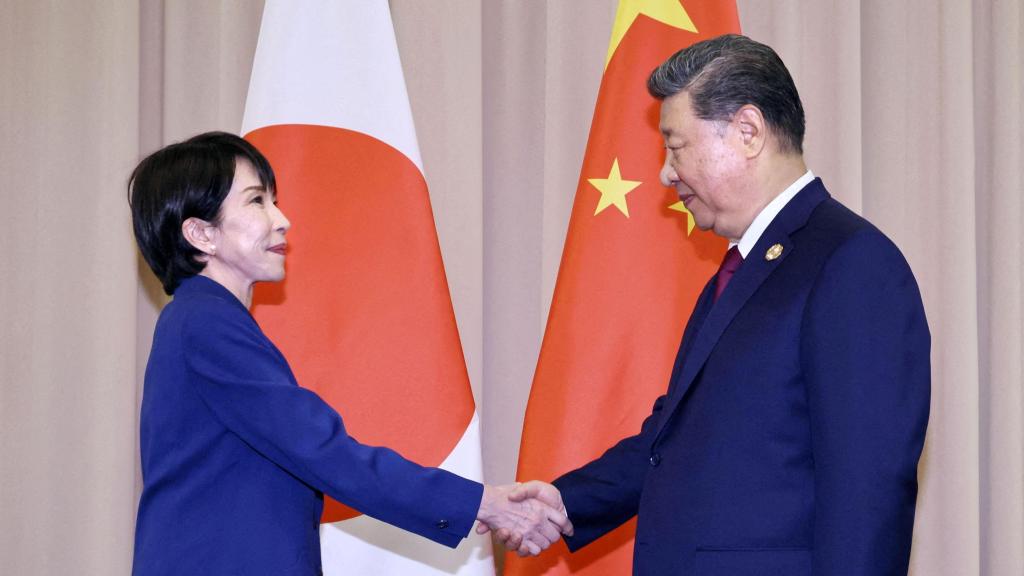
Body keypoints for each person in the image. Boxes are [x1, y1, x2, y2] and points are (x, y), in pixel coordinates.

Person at [506, 34, 930, 575]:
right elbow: (673, 439)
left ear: (747, 131)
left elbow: (868, 490)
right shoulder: (740, 272)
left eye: (675, 145)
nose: (666, 172)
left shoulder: (851, 263)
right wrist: (567, 503)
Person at [128, 132, 571, 575]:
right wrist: (482, 503)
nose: (282, 220)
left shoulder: (200, 320)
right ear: (201, 234)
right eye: (257, 201)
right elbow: (322, 450)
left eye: (274, 201)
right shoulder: (206, 322)